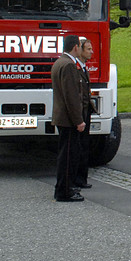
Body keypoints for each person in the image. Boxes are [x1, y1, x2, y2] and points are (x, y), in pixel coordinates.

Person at [52, 34, 87, 203]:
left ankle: (66, 187)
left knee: (66, 154)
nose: (81, 49)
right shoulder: (68, 65)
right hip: (67, 119)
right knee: (67, 157)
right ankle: (64, 191)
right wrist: (78, 120)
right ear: (75, 47)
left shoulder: (59, 62)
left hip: (63, 118)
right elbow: (72, 96)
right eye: (80, 46)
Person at [74, 38, 95, 190]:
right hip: (80, 112)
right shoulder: (75, 68)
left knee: (84, 146)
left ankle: (81, 178)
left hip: (85, 111)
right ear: (80, 50)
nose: (91, 52)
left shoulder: (83, 68)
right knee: (78, 147)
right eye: (88, 49)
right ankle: (77, 179)